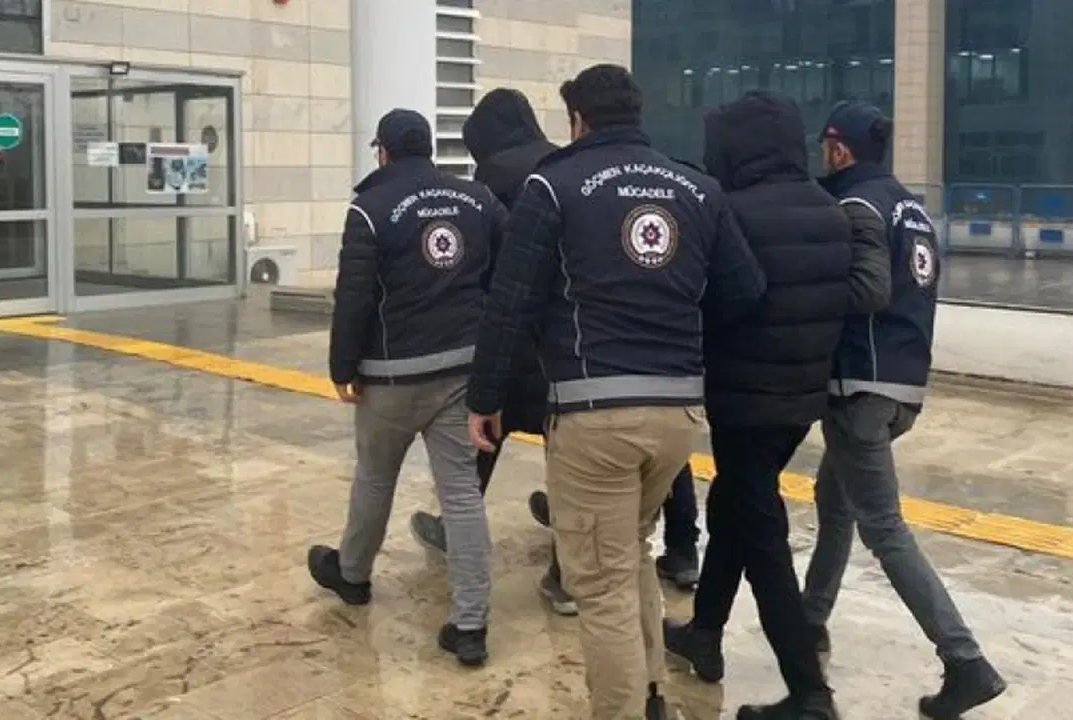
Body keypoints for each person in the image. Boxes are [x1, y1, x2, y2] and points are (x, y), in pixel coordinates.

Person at [465, 64, 766, 720]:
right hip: (677, 414)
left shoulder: (553, 185)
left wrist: (484, 397)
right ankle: (652, 695)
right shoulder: (697, 187)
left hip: (596, 416)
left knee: (599, 587)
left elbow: (509, 303)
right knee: (627, 554)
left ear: (577, 119)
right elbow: (745, 290)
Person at [407, 88, 704, 608]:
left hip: (534, 344)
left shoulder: (498, 182)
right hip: (602, 348)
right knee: (624, 439)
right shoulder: (574, 168)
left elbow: (500, 280)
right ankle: (681, 550)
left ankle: (465, 530)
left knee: (488, 431)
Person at [661, 91, 891, 720]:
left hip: (741, 398)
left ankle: (810, 693)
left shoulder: (730, 211)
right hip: (799, 398)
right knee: (735, 503)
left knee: (760, 530)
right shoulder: (830, 211)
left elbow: (711, 300)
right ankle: (705, 632)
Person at [801, 101, 1007, 719]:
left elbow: (867, 290)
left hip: (860, 385)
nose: (822, 157)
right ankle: (810, 621)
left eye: (825, 147)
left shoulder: (856, 204)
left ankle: (965, 660)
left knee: (884, 528)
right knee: (834, 501)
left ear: (839, 149)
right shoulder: (910, 207)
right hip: (903, 383)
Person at [306, 108, 505, 668]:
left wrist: (342, 365)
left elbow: (354, 295)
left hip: (390, 374)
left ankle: (352, 575)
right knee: (461, 493)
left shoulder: (370, 208)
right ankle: (470, 623)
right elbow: (501, 276)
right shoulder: (478, 200)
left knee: (375, 476)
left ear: (384, 151)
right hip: (462, 369)